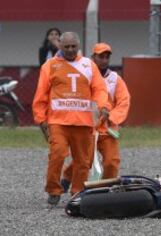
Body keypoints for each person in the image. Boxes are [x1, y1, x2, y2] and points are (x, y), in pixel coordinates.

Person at [32, 32, 109, 205]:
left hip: (83, 122)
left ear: (78, 46)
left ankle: (77, 191)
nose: (70, 50)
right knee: (57, 155)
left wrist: (104, 106)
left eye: (73, 46)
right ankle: (53, 190)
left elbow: (99, 89)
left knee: (83, 161)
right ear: (60, 46)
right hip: (58, 121)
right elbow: (41, 94)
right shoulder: (50, 66)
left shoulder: (89, 65)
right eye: (66, 46)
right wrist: (40, 118)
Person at [61, 42, 131, 191]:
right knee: (84, 159)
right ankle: (67, 177)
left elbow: (124, 102)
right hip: (87, 128)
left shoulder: (115, 79)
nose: (104, 60)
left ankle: (105, 188)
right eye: (101, 56)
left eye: (106, 57)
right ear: (93, 57)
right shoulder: (84, 76)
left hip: (107, 129)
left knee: (112, 161)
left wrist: (111, 118)